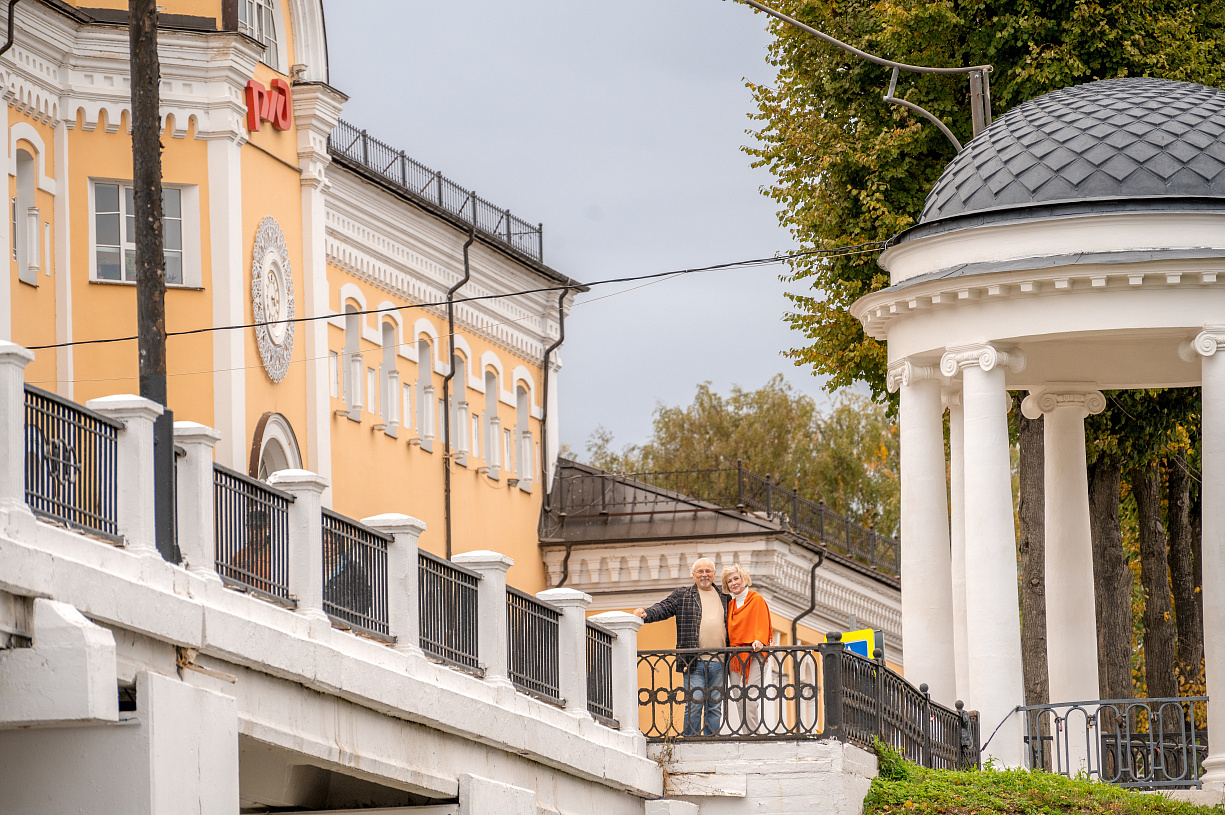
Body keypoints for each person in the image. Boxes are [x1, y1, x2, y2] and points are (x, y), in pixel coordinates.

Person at [634, 557, 729, 736]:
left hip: (719, 660)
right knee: (695, 702)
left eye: (708, 571)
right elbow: (664, 608)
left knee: (715, 706)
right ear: (693, 575)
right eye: (700, 571)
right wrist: (646, 613)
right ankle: (690, 741)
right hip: (693, 660)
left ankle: (712, 741)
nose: (704, 575)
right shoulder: (683, 595)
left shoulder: (725, 598)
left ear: (714, 574)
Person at [722, 564, 772, 734]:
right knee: (738, 698)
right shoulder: (729, 605)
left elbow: (762, 623)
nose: (734, 583)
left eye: (736, 578)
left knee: (750, 697)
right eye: (729, 581)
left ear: (744, 579)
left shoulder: (756, 599)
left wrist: (759, 640)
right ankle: (748, 735)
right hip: (735, 657)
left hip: (755, 654)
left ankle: (753, 737)